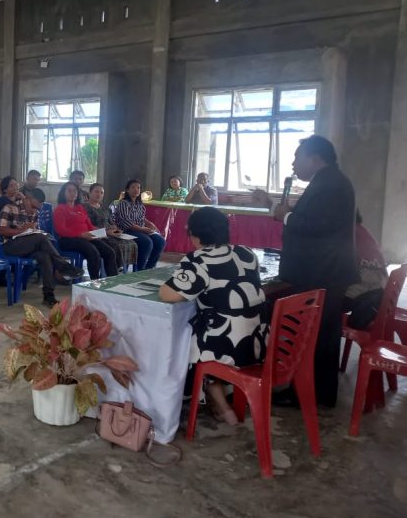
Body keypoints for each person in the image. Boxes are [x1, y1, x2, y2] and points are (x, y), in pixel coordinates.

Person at [159, 207, 269, 425]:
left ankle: (210, 399)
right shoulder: (247, 252)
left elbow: (167, 294)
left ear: (196, 235)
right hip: (259, 341)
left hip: (226, 347)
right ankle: (220, 396)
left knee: (180, 337)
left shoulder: (198, 260)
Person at [273, 134, 358, 407]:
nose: (293, 164)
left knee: (316, 334)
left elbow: (316, 227)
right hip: (324, 270)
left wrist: (286, 216)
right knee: (320, 334)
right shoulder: (328, 181)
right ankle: (317, 391)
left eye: (297, 158)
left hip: (324, 272)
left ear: (315, 158)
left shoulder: (331, 185)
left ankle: (311, 393)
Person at [0, 186, 84, 307]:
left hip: (29, 246)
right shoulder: (10, 208)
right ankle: (63, 266)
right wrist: (22, 230)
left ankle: (48, 295)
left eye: (37, 208)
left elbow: (32, 233)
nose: (34, 211)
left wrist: (32, 230)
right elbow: (1, 230)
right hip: (10, 246)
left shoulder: (35, 212)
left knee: (45, 256)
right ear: (27, 199)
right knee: (40, 238)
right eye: (33, 207)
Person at [53, 182, 119, 280]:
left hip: (86, 237)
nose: (72, 193)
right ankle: (95, 282)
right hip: (68, 240)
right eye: (69, 191)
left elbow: (88, 225)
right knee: (93, 252)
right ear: (63, 193)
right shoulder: (60, 209)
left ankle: (113, 281)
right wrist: (80, 234)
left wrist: (98, 232)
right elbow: (61, 230)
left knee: (109, 252)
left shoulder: (80, 208)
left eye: (74, 191)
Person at [343, 211, 388, 330]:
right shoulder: (361, 230)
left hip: (365, 295)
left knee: (318, 302)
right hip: (378, 292)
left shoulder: (347, 233)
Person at [112, 179, 165, 271]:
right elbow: (127, 222)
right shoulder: (123, 203)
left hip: (140, 229)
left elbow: (142, 218)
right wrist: (143, 229)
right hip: (126, 231)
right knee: (147, 242)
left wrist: (150, 224)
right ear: (127, 190)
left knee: (160, 241)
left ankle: (149, 268)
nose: (136, 190)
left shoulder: (139, 204)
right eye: (133, 187)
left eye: (138, 188)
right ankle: (139, 269)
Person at [84, 183, 137, 271]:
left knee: (131, 243)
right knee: (114, 245)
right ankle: (115, 268)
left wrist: (115, 228)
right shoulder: (85, 207)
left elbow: (111, 221)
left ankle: (123, 268)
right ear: (90, 193)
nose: (99, 194)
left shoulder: (104, 207)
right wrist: (106, 232)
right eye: (96, 192)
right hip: (97, 235)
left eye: (101, 193)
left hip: (110, 232)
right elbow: (88, 226)